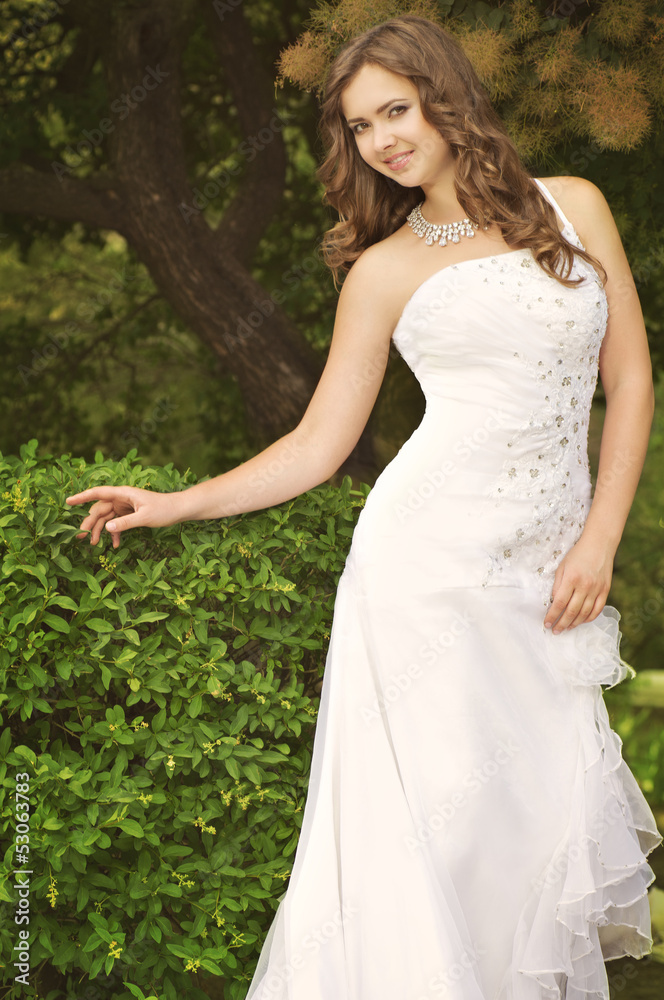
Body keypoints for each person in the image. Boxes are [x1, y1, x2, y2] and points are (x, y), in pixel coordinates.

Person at [67, 14, 661, 1000]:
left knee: (525, 821)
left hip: (548, 572)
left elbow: (631, 381)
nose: (383, 137)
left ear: (445, 94)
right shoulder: (381, 269)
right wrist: (176, 502)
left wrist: (599, 538)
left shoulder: (577, 206)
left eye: (395, 108)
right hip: (423, 575)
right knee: (434, 827)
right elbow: (314, 445)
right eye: (360, 126)